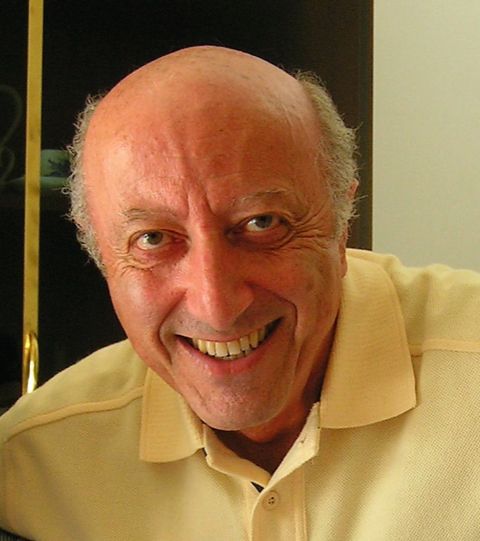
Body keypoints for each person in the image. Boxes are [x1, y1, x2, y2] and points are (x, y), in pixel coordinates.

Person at [1, 46, 479, 541]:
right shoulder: (34, 470)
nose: (217, 307)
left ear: (342, 224)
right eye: (154, 239)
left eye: (261, 223)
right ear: (98, 250)